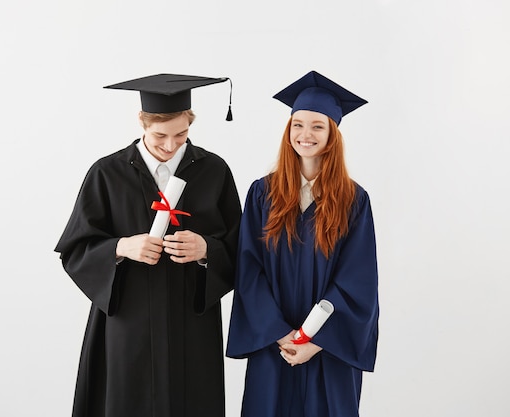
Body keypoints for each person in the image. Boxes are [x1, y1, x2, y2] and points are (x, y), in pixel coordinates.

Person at [55, 73, 242, 417]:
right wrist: (122, 247)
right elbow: (76, 249)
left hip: (191, 321)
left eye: (181, 134)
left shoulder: (214, 170)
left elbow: (241, 248)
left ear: (191, 121)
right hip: (130, 320)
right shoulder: (107, 173)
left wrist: (206, 251)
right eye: (160, 136)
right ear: (141, 121)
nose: (171, 145)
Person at [226, 70, 379, 417]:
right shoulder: (262, 193)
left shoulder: (354, 200)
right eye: (298, 124)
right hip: (274, 346)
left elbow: (359, 279)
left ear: (332, 135)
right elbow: (249, 270)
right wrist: (280, 333)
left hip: (328, 349)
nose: (305, 134)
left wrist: (316, 341)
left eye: (317, 126)